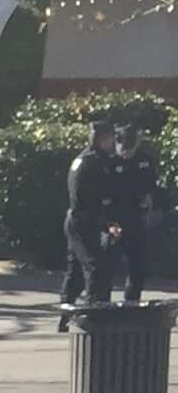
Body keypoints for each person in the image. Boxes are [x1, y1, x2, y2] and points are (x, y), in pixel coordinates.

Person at [64, 120, 149, 308]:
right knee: (96, 269)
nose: (114, 143)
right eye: (112, 138)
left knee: (77, 270)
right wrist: (107, 222)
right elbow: (90, 200)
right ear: (104, 139)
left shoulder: (88, 158)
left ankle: (68, 314)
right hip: (83, 222)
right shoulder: (93, 162)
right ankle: (95, 315)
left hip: (84, 220)